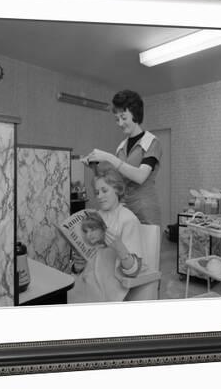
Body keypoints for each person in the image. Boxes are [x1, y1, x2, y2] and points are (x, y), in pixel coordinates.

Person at [83, 90, 162, 225]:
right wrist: (94, 166)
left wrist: (109, 158)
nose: (120, 123)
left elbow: (140, 176)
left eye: (124, 118)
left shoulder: (151, 142)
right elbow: (116, 179)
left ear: (136, 115)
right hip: (124, 207)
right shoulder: (121, 146)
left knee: (145, 245)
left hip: (145, 209)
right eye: (117, 119)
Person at [68, 167, 143, 304]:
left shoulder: (128, 220)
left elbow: (134, 271)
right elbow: (86, 261)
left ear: (118, 189)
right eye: (97, 192)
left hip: (107, 290)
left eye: (104, 190)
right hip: (83, 283)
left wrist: (119, 247)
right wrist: (78, 265)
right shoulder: (95, 216)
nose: (99, 196)